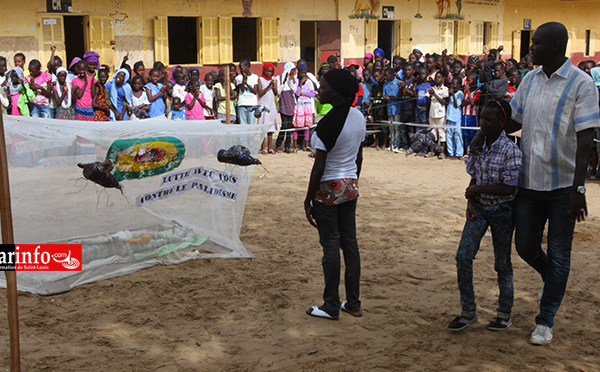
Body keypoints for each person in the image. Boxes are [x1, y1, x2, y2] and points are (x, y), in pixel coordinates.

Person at [472, 22, 600, 345]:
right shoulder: (529, 80)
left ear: (556, 46)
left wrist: (578, 188)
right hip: (529, 184)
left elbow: (586, 140)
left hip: (562, 188)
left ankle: (545, 319)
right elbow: (513, 120)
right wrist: (484, 131)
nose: (531, 50)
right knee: (525, 246)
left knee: (560, 255)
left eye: (537, 44)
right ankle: (551, 278)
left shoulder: (582, 85)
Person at [449, 98, 522, 332]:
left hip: (502, 210)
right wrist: (471, 201)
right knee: (463, 256)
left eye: (488, 120)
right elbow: (475, 177)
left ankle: (504, 313)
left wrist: (477, 190)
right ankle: (468, 311)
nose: (482, 124)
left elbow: (510, 188)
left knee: (502, 263)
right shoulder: (479, 145)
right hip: (479, 207)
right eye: (481, 118)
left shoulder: (511, 150)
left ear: (503, 122)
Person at [304, 68, 365, 320]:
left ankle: (330, 305)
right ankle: (353, 302)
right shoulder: (359, 117)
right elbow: (359, 157)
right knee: (349, 245)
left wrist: (308, 198)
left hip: (328, 188)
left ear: (336, 92)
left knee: (330, 245)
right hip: (350, 185)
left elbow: (319, 166)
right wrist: (351, 181)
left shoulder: (327, 123)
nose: (320, 90)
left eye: (324, 86)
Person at [291, 64, 316, 151]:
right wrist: (301, 83)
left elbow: (313, 94)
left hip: (307, 105)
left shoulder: (309, 82)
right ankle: (295, 146)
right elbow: (297, 93)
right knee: (297, 125)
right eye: (302, 73)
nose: (303, 75)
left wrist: (303, 93)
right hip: (299, 105)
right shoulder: (296, 81)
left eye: (305, 73)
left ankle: (306, 146)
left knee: (307, 126)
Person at [426, 71, 449, 158]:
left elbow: (444, 102)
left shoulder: (445, 89)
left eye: (439, 77)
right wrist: (430, 94)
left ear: (443, 79)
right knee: (432, 132)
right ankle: (432, 151)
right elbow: (428, 100)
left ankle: (442, 152)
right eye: (435, 77)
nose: (437, 79)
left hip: (440, 114)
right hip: (432, 113)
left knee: (442, 132)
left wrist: (434, 94)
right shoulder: (432, 88)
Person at [257, 62, 279, 154]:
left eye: (271, 71)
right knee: (263, 127)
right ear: (264, 71)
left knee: (271, 127)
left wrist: (274, 85)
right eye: (267, 71)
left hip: (271, 105)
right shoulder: (260, 79)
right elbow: (260, 93)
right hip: (263, 105)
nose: (269, 73)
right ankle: (263, 148)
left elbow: (275, 93)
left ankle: (270, 148)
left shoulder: (274, 79)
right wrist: (269, 85)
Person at [275, 62, 296, 153]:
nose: (293, 72)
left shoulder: (294, 80)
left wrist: (290, 81)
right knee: (284, 125)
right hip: (283, 104)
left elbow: (295, 91)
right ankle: (278, 144)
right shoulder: (279, 78)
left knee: (290, 126)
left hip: (291, 104)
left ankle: (287, 145)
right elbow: (278, 92)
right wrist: (283, 83)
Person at [382, 67, 401, 151]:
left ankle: (397, 144)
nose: (385, 78)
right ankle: (391, 143)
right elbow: (384, 95)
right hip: (389, 108)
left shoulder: (398, 83)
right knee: (391, 127)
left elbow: (400, 96)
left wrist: (390, 97)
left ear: (391, 75)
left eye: (386, 76)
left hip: (397, 108)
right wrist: (385, 97)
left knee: (397, 127)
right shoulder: (385, 84)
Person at [235, 58, 259, 124]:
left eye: (242, 67)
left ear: (247, 67)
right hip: (242, 104)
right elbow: (242, 90)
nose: (241, 69)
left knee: (251, 124)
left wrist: (247, 84)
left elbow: (255, 91)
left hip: (252, 104)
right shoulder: (239, 78)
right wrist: (243, 79)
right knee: (242, 124)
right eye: (240, 68)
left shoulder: (255, 77)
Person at [446, 77, 464, 159]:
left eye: (454, 84)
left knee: (457, 135)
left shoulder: (460, 93)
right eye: (452, 84)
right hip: (449, 116)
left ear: (459, 85)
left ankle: (459, 153)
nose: (452, 85)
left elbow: (457, 105)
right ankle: (451, 152)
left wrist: (453, 94)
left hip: (456, 117)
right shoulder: (449, 93)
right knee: (449, 135)